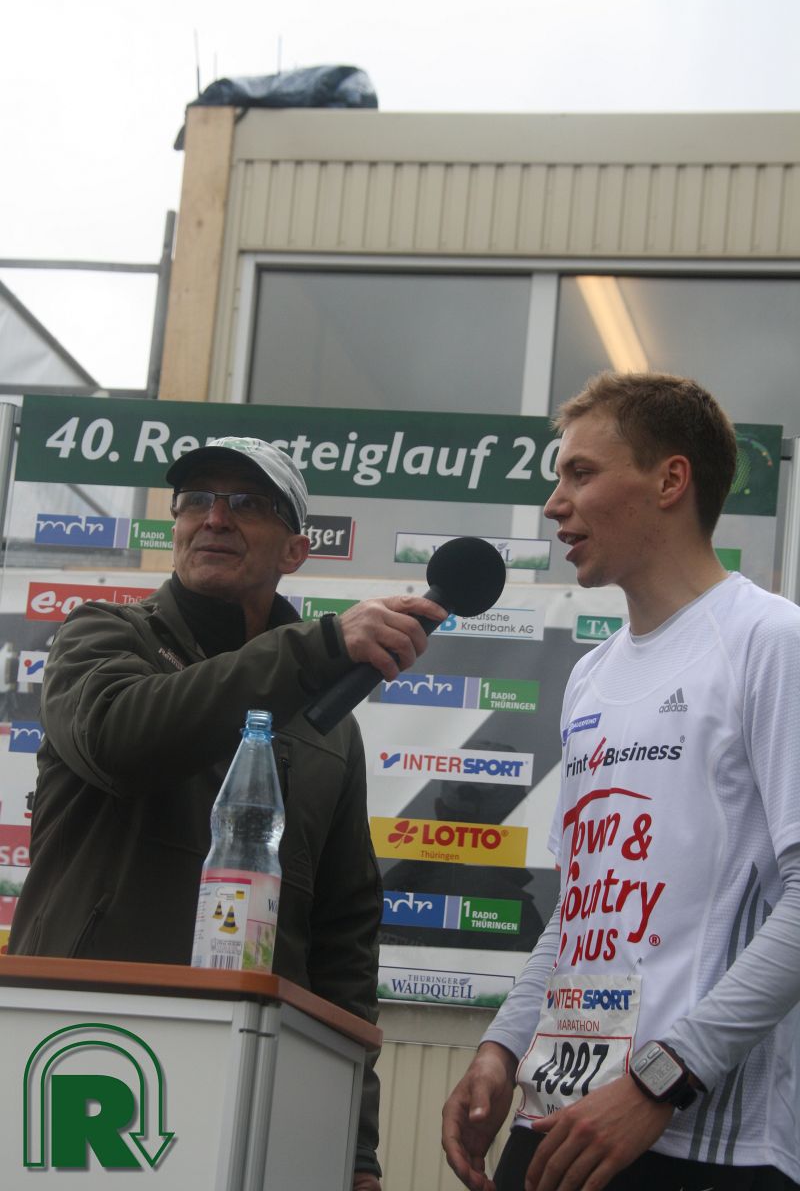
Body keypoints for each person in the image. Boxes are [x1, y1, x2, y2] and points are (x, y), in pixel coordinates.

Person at [9, 435, 447, 1190]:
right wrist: (316, 648)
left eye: (246, 503)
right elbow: (120, 740)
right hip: (86, 1055)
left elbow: (343, 938)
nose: (214, 518)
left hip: (256, 1075)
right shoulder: (104, 635)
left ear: (296, 550)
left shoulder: (330, 723)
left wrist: (354, 1144)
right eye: (197, 500)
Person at [442, 372, 800, 1191]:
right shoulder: (591, 676)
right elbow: (581, 907)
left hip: (698, 1136)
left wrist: (662, 1080)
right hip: (558, 1119)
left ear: (671, 481)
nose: (553, 505)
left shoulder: (771, 640)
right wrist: (503, 1046)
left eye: (581, 473)